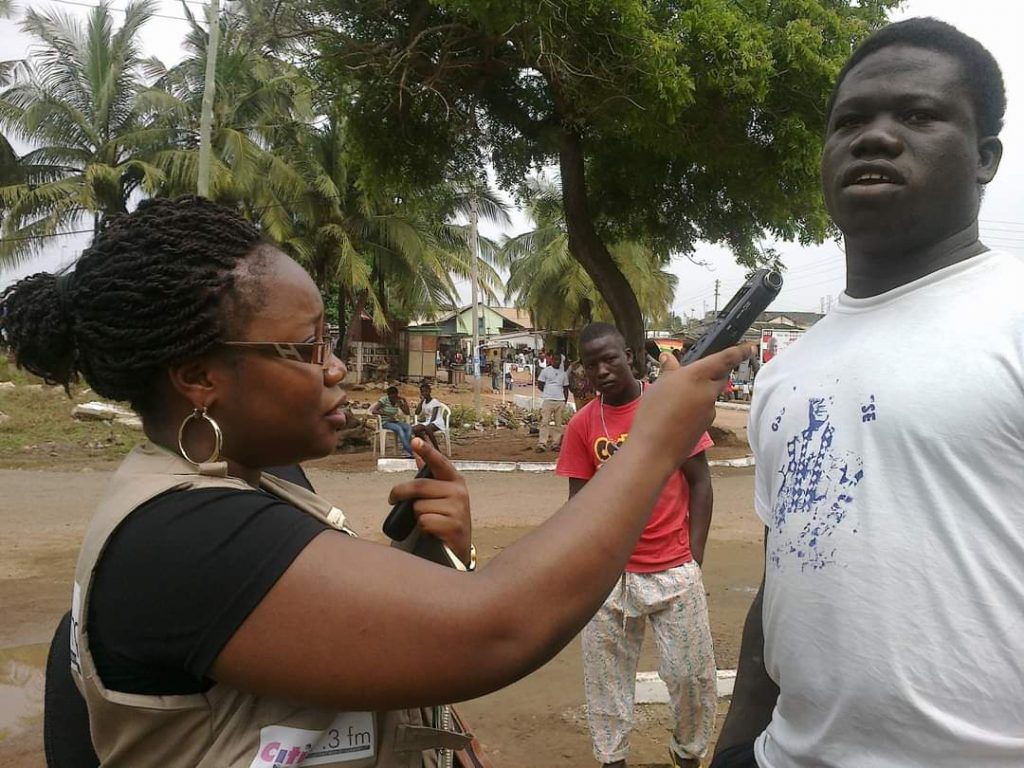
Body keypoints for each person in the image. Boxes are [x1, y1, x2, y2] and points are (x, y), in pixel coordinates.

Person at [1, 196, 752, 768]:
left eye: (328, 340)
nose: (334, 367)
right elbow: (499, 627)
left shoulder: (251, 486)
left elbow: (338, 638)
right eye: (304, 347)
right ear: (199, 377)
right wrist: (653, 439)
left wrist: (436, 558)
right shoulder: (182, 537)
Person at [713, 19, 1022, 768]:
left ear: (985, 159)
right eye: (850, 121)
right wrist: (737, 746)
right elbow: (785, 570)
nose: (875, 137)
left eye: (917, 116)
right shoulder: (787, 369)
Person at [557, 323, 717, 768]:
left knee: (692, 678)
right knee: (607, 685)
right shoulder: (582, 425)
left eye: (610, 358)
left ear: (629, 354)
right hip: (610, 577)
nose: (603, 370)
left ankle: (687, 755)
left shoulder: (667, 408)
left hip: (673, 567)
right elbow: (579, 505)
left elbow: (700, 483)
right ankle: (613, 761)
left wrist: (695, 558)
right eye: (592, 365)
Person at [535, 352, 569, 452]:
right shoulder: (545, 371)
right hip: (548, 400)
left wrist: (564, 401)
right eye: (555, 360)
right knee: (545, 422)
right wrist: (548, 392)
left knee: (558, 424)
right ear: (551, 360)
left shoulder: (563, 374)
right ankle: (542, 444)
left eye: (559, 360)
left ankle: (555, 444)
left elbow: (565, 388)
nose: (557, 362)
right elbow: (540, 384)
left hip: (560, 401)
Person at [370, 385, 414, 458]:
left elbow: (407, 413)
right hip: (385, 422)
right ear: (388, 395)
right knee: (399, 429)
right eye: (392, 397)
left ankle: (406, 450)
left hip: (394, 421)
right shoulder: (384, 400)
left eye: (395, 396)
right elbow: (374, 411)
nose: (394, 398)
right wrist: (387, 414)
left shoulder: (398, 401)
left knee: (408, 427)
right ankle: (409, 451)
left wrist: (404, 401)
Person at [412, 382, 446, 451]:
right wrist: (421, 402)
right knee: (415, 429)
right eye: (422, 392)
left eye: (426, 391)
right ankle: (426, 446)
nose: (424, 393)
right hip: (428, 422)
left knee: (427, 428)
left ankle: (437, 450)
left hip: (437, 422)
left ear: (429, 391)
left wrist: (424, 426)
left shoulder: (435, 402)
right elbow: (417, 412)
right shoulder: (423, 402)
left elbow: (433, 418)